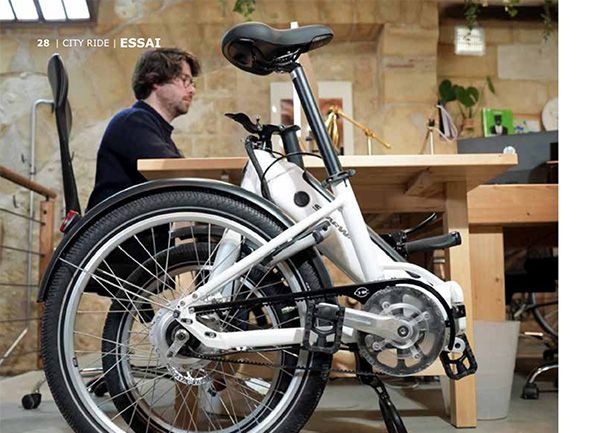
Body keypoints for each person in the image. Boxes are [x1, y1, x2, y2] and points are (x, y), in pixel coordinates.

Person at [87, 48, 200, 209]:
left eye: (192, 83)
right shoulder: (132, 121)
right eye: (184, 80)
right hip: (120, 222)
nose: (192, 90)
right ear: (156, 80)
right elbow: (174, 173)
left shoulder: (153, 127)